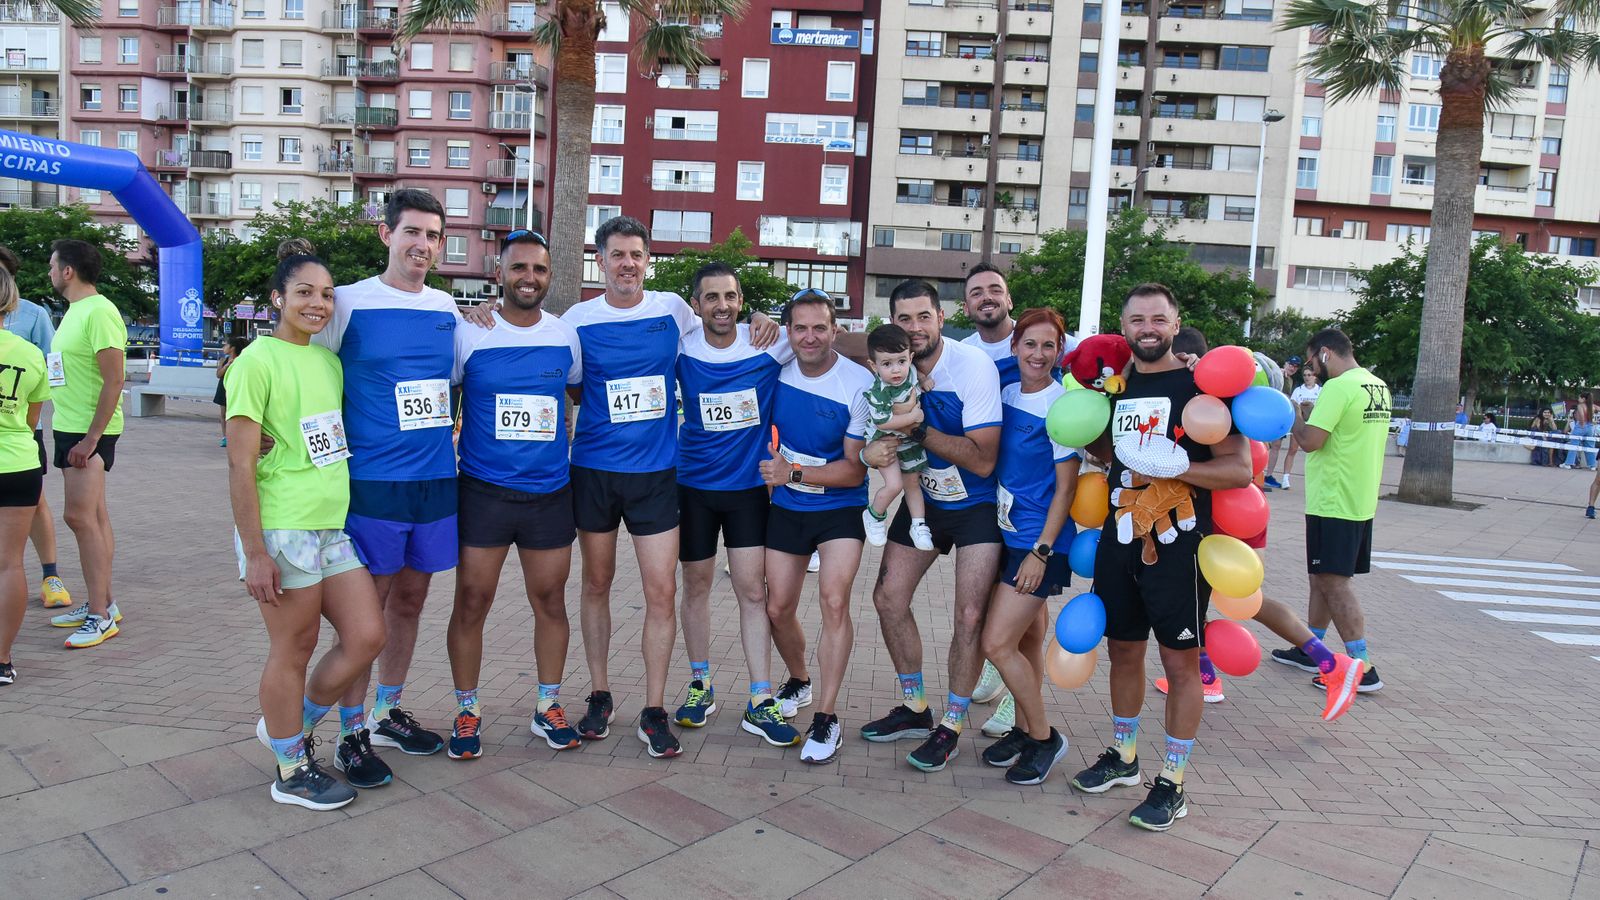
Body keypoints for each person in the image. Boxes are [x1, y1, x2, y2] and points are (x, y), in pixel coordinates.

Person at [1069, 283, 1252, 832]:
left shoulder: (1202, 389)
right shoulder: (1111, 390)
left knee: (1179, 662)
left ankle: (1172, 783)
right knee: (1124, 653)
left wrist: (1175, 469)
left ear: (1175, 324)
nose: (1147, 326)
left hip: (1180, 548)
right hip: (1119, 538)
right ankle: (1124, 758)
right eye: (1136, 318)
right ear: (1123, 327)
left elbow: (1238, 469)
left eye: (1158, 317)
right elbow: (1107, 455)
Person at [229, 242, 385, 810]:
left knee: (367, 635)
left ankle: (287, 725)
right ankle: (291, 768)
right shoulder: (255, 362)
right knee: (293, 646)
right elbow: (240, 462)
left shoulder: (327, 361)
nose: (317, 304)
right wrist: (255, 552)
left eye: (325, 295)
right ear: (278, 298)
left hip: (330, 524)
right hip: (282, 527)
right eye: (304, 293)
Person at [315, 189, 460, 784]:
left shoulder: (450, 309)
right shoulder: (346, 303)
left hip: (434, 482)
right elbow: (311, 378)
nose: (422, 245)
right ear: (386, 235)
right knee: (363, 614)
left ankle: (384, 711)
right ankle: (349, 734)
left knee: (411, 602)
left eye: (432, 235)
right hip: (371, 484)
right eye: (412, 233)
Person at [559, 216, 707, 758]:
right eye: (617, 254)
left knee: (660, 591)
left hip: (656, 476)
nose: (627, 263)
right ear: (600, 260)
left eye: (636, 254)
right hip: (594, 473)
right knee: (595, 584)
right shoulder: (577, 319)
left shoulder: (672, 309)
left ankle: (654, 707)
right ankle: (600, 693)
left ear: (648, 260)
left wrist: (761, 318)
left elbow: (719, 334)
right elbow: (573, 388)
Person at [444, 230, 583, 759]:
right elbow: (440, 396)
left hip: (550, 493)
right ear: (498, 274)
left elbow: (577, 390)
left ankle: (548, 704)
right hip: (484, 492)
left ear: (549, 277)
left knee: (550, 601)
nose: (530, 278)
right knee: (472, 601)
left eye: (540, 270)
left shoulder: (564, 336)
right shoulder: (468, 333)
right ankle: (466, 707)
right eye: (519, 268)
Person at [859, 280, 1003, 773]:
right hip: (926, 501)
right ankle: (917, 707)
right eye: (904, 319)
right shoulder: (887, 366)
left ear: (942, 318)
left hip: (978, 506)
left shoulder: (971, 366)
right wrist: (869, 451)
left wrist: (916, 429)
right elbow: (867, 433)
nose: (915, 328)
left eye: (924, 317)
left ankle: (953, 723)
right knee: (888, 598)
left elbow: (984, 462)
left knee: (968, 616)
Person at [673, 262, 801, 745]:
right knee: (697, 587)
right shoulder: (681, 345)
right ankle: (700, 683)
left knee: (753, 592)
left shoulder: (769, 342)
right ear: (697, 305)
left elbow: (825, 344)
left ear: (741, 300)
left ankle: (761, 697)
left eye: (730, 296)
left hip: (748, 490)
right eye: (711, 297)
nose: (721, 306)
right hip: (694, 488)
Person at [762, 289, 872, 763]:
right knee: (777, 607)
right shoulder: (776, 372)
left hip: (839, 508)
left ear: (835, 330)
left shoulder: (858, 383)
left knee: (833, 600)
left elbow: (854, 470)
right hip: (787, 507)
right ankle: (800, 681)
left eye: (820, 328)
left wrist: (796, 473)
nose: (810, 337)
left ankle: (826, 718)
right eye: (800, 328)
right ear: (788, 331)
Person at [977, 308, 1078, 785]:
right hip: (1007, 532)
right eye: (1030, 344)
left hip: (1039, 545)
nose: (1038, 354)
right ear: (1015, 347)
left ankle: (1043, 737)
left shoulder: (1062, 408)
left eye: (1049, 346)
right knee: (1028, 640)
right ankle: (1021, 727)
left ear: (1060, 353)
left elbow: (1066, 489)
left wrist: (1041, 550)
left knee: (996, 643)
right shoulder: (1007, 389)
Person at [1278, 327, 1389, 698]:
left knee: (1334, 581)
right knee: (1321, 577)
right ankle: (1313, 649)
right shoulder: (1376, 385)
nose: (1313, 368)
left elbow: (1310, 441)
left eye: (1312, 361)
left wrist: (1291, 409)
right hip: (1358, 498)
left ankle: (1363, 666)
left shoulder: (1338, 387)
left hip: (1334, 499)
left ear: (1325, 353)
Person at [43, 240, 125, 649]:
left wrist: (92, 438)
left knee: (80, 518)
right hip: (69, 426)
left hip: (87, 432)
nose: (49, 273)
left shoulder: (100, 311)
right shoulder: (76, 312)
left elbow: (115, 379)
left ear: (69, 271)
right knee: (94, 516)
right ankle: (104, 601)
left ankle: (99, 614)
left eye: (53, 266)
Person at [0, 245, 71, 611]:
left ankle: (51, 574)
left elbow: (51, 365)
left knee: (35, 500)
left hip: (21, 428)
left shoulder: (33, 314)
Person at [0, 267, 53, 687]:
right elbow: (31, 419)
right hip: (18, 464)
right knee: (9, 565)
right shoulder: (29, 353)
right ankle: (2, 661)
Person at [860, 323, 934, 551]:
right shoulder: (878, 391)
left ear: (910, 358)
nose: (896, 370)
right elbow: (884, 422)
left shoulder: (909, 371)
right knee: (894, 484)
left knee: (913, 484)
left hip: (908, 443)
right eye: (887, 364)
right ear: (873, 366)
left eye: (901, 361)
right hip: (884, 443)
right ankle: (874, 515)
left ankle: (919, 525)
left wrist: (922, 378)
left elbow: (914, 372)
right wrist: (914, 415)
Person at [1276, 368, 1321, 490]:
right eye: (1305, 375)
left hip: (1314, 424)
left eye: (1309, 375)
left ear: (1315, 376)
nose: (1307, 377)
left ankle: (1317, 480)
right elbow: (1293, 405)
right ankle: (1285, 478)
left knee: (1316, 452)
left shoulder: (1320, 391)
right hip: (1300, 423)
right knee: (1293, 449)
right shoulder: (1298, 390)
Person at [1263, 355, 1300, 489]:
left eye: (1296, 367)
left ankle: (1269, 475)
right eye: (1291, 364)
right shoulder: (1277, 374)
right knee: (1265, 445)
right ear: (1285, 364)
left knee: (1276, 445)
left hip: (1280, 415)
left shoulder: (1290, 380)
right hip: (1269, 414)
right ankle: (1259, 473)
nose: (1292, 368)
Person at [214, 336, 250, 448]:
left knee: (235, 413)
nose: (224, 347)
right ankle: (225, 437)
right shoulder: (223, 360)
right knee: (223, 413)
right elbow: (218, 374)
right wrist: (227, 365)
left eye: (226, 345)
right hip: (223, 387)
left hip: (235, 388)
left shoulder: (242, 360)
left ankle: (238, 436)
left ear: (232, 348)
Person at [1561, 394, 1595, 470]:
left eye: (1579, 397)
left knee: (1573, 445)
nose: (1578, 399)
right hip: (1590, 426)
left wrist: (1582, 424)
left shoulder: (1580, 406)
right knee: (1589, 446)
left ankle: (1568, 463)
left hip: (1580, 425)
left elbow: (1582, 416)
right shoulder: (1592, 406)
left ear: (1583, 399)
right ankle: (1592, 465)